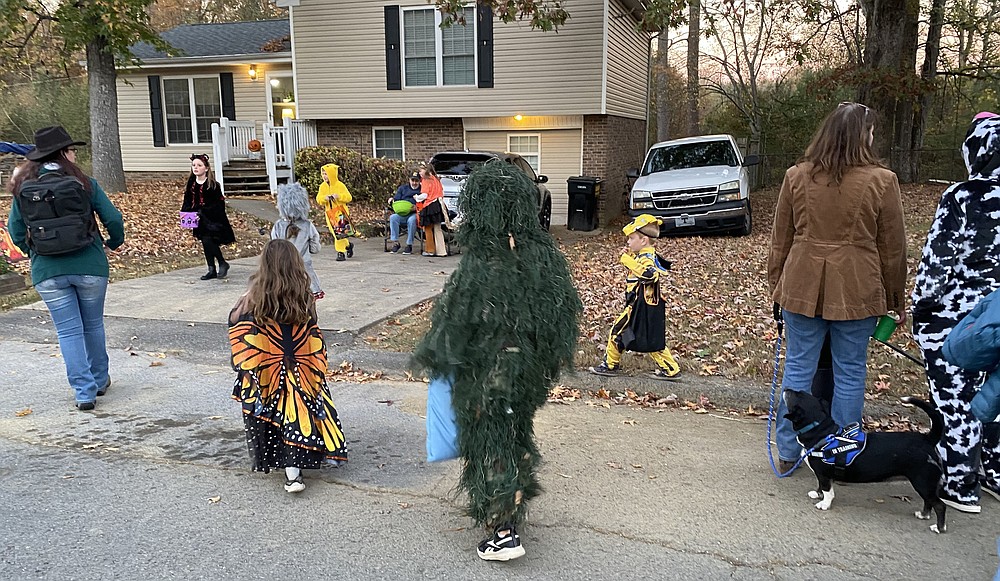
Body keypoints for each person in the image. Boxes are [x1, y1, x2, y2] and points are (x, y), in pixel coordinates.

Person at [411, 161, 582, 561]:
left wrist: (441, 361)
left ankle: (503, 530)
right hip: (527, 375)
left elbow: (455, 326)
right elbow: (560, 320)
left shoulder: (483, 263)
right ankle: (510, 508)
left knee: (491, 443)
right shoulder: (542, 256)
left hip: (489, 375)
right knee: (514, 433)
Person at [768, 101, 907, 474]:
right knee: (850, 372)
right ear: (865, 136)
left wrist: (776, 287)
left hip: (800, 284)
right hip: (858, 288)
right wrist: (896, 299)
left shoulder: (796, 176)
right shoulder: (882, 180)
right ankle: (843, 453)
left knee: (798, 371)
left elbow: (780, 241)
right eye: (872, 131)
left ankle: (788, 450)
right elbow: (892, 249)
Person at [912, 113, 1000, 512]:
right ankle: (995, 476)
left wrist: (920, 310)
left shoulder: (964, 197)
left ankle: (960, 487)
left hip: (958, 319)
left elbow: (936, 264)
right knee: (995, 397)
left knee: (956, 401)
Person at [6, 125, 125, 411]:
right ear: (63, 154)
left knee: (69, 331)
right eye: (72, 150)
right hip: (90, 266)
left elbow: (15, 230)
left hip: (48, 272)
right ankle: (99, 380)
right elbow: (113, 218)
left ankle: (84, 393)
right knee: (92, 324)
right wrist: (114, 242)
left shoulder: (24, 187)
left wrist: (34, 252)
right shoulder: (85, 183)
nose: (74, 154)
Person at [229, 238, 347, 493]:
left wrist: (243, 368)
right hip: (300, 367)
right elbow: (313, 332)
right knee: (298, 414)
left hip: (264, 369)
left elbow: (238, 332)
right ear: (296, 265)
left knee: (277, 414)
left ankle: (290, 471)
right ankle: (299, 468)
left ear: (265, 265)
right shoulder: (304, 296)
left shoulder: (251, 298)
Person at [588, 214, 681, 380]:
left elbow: (650, 275)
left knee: (618, 333)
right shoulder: (644, 256)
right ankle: (670, 368)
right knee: (646, 337)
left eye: (631, 238)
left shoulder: (646, 258)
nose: (628, 242)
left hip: (637, 307)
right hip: (638, 305)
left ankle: (610, 365)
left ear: (643, 240)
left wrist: (627, 261)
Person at [181, 153, 235, 280]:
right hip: (198, 219)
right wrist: (187, 213)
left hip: (212, 219)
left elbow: (218, 204)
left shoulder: (213, 185)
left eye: (199, 165)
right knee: (205, 242)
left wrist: (203, 212)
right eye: (194, 165)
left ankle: (221, 262)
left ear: (206, 168)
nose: (196, 168)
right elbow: (187, 200)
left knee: (208, 240)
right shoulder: (191, 184)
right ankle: (212, 269)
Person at [271, 182, 323, 299]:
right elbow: (315, 248)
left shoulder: (278, 226)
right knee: (308, 293)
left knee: (285, 294)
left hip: (283, 267)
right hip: (303, 267)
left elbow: (274, 246)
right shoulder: (307, 225)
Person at [315, 163, 354, 261]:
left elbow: (349, 197)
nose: (324, 176)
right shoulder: (322, 186)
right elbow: (318, 199)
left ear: (332, 174)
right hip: (329, 213)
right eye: (323, 174)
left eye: (326, 174)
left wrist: (339, 196)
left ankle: (340, 252)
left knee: (339, 232)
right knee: (336, 232)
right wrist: (325, 198)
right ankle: (348, 246)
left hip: (340, 212)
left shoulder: (340, 185)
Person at [415, 163, 448, 257]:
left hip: (430, 205)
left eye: (420, 171)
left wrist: (417, 197)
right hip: (439, 204)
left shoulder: (426, 180)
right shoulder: (436, 179)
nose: (419, 173)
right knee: (438, 228)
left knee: (428, 228)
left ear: (426, 170)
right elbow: (442, 192)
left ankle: (430, 250)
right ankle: (441, 251)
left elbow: (425, 195)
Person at [388, 172, 420, 255]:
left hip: (414, 213)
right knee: (393, 217)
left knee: (412, 220)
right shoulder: (403, 188)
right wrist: (392, 200)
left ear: (419, 181)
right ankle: (395, 242)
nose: (414, 183)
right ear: (409, 180)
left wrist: (416, 207)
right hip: (402, 212)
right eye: (412, 180)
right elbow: (396, 200)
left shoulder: (422, 190)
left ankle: (409, 245)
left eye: (416, 181)